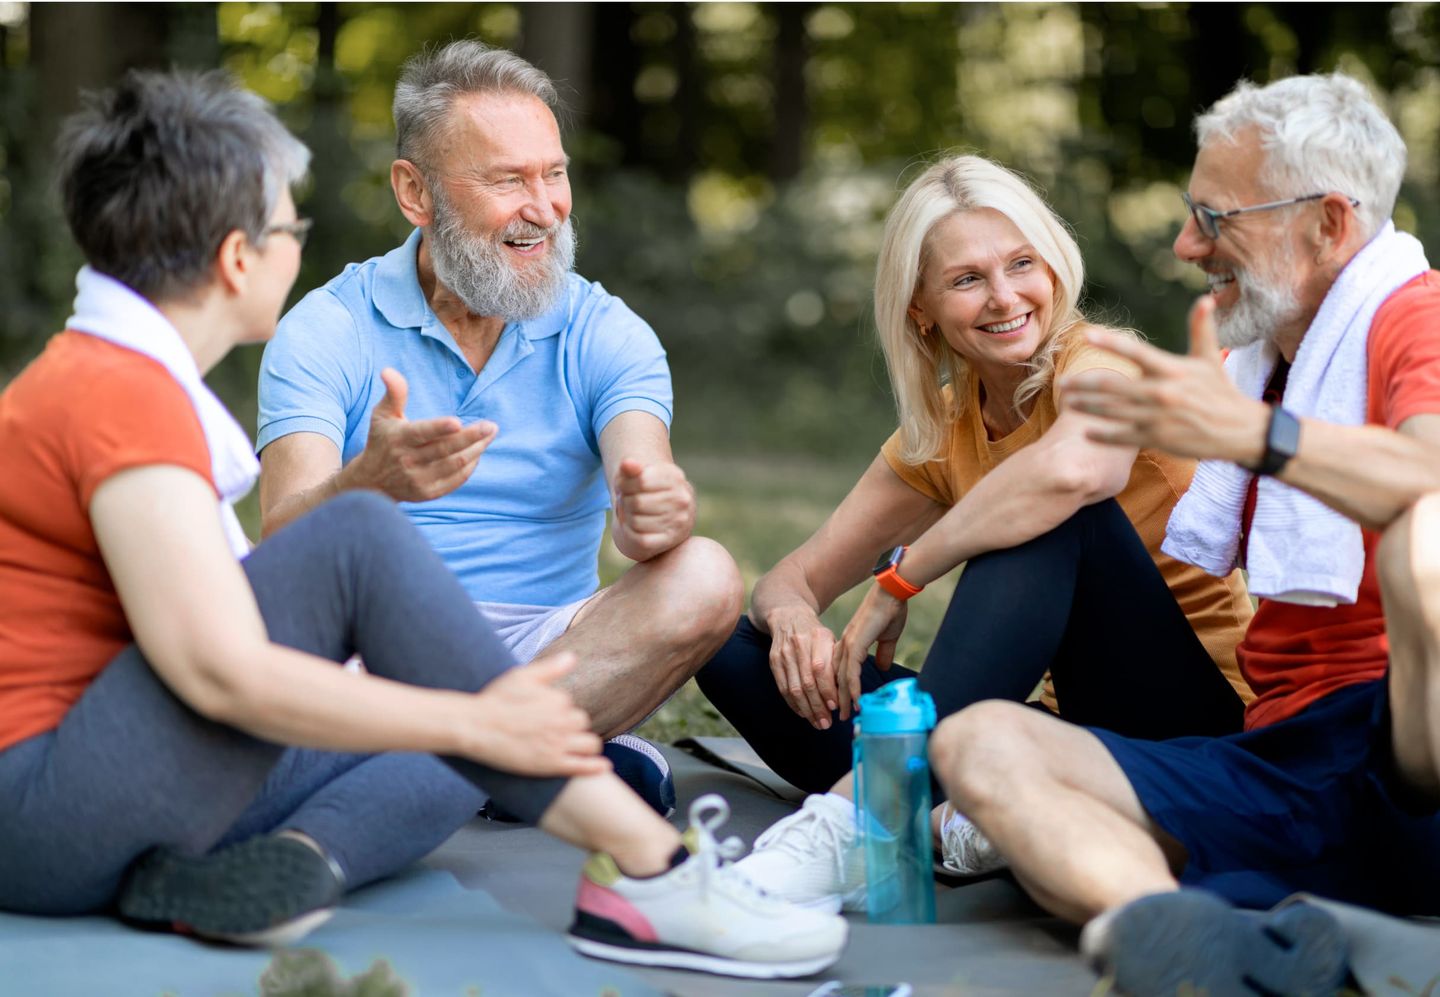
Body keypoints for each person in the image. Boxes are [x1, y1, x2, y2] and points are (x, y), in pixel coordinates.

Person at [0, 69, 845, 981]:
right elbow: (216, 667)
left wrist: (476, 714)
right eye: (292, 226)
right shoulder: (118, 396)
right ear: (242, 258)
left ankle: (617, 864)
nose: (301, 248)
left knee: (455, 682)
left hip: (117, 783)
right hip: (54, 810)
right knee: (380, 571)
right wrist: (473, 718)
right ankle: (654, 871)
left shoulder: (112, 378)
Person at [928, 73, 1440, 994]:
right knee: (976, 746)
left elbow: (1431, 473)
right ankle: (1187, 940)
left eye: (1216, 218)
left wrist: (1251, 435)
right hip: (1286, 760)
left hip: (1412, 743)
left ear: (1327, 222)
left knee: (1427, 533)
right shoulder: (1266, 354)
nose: (1186, 244)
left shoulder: (1416, 315)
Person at [698, 155, 1254, 909]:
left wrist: (904, 576)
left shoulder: (1098, 368)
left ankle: (855, 819)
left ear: (1053, 267)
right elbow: (790, 578)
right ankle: (939, 811)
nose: (1005, 297)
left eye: (1021, 264)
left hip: (1198, 724)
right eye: (967, 280)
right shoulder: (944, 426)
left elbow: (1073, 476)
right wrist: (795, 617)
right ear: (920, 307)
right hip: (1059, 726)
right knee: (734, 651)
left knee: (1048, 516)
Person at [255, 40, 742, 809]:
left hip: (549, 650)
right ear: (416, 193)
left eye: (554, 173)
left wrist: (654, 516)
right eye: (507, 179)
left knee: (705, 573)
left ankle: (443, 761)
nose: (544, 207)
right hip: (368, 646)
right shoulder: (327, 328)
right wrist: (365, 485)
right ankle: (519, 761)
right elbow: (281, 544)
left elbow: (643, 499)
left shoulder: (607, 333)